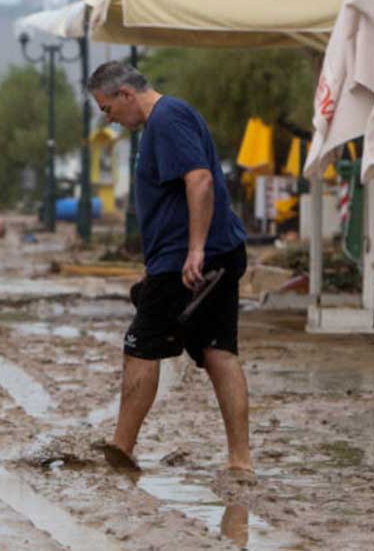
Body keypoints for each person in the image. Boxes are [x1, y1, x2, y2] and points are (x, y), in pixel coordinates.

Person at [86, 60, 252, 479]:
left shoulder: (166, 119)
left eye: (106, 108)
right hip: (204, 254)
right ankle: (240, 460)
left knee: (140, 344)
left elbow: (199, 181)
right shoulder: (168, 119)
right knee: (218, 351)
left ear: (125, 94)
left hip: (190, 259)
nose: (109, 119)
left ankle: (120, 451)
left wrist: (194, 251)